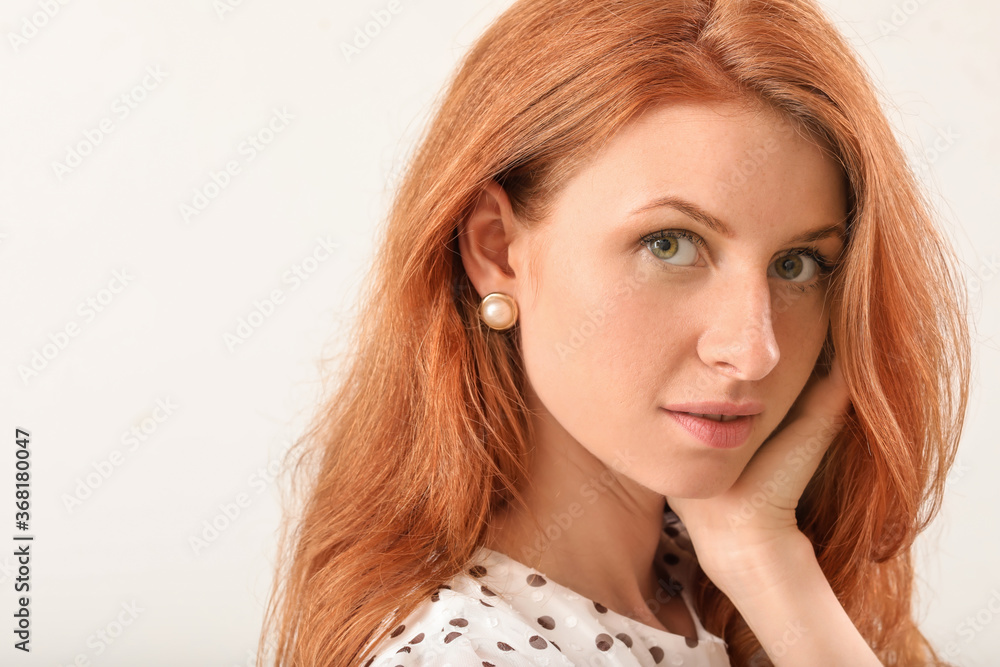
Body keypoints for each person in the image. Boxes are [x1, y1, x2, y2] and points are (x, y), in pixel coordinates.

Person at [259, 0, 971, 665]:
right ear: (496, 249)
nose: (754, 348)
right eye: (670, 244)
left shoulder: (714, 590)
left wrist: (766, 561)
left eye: (797, 263)